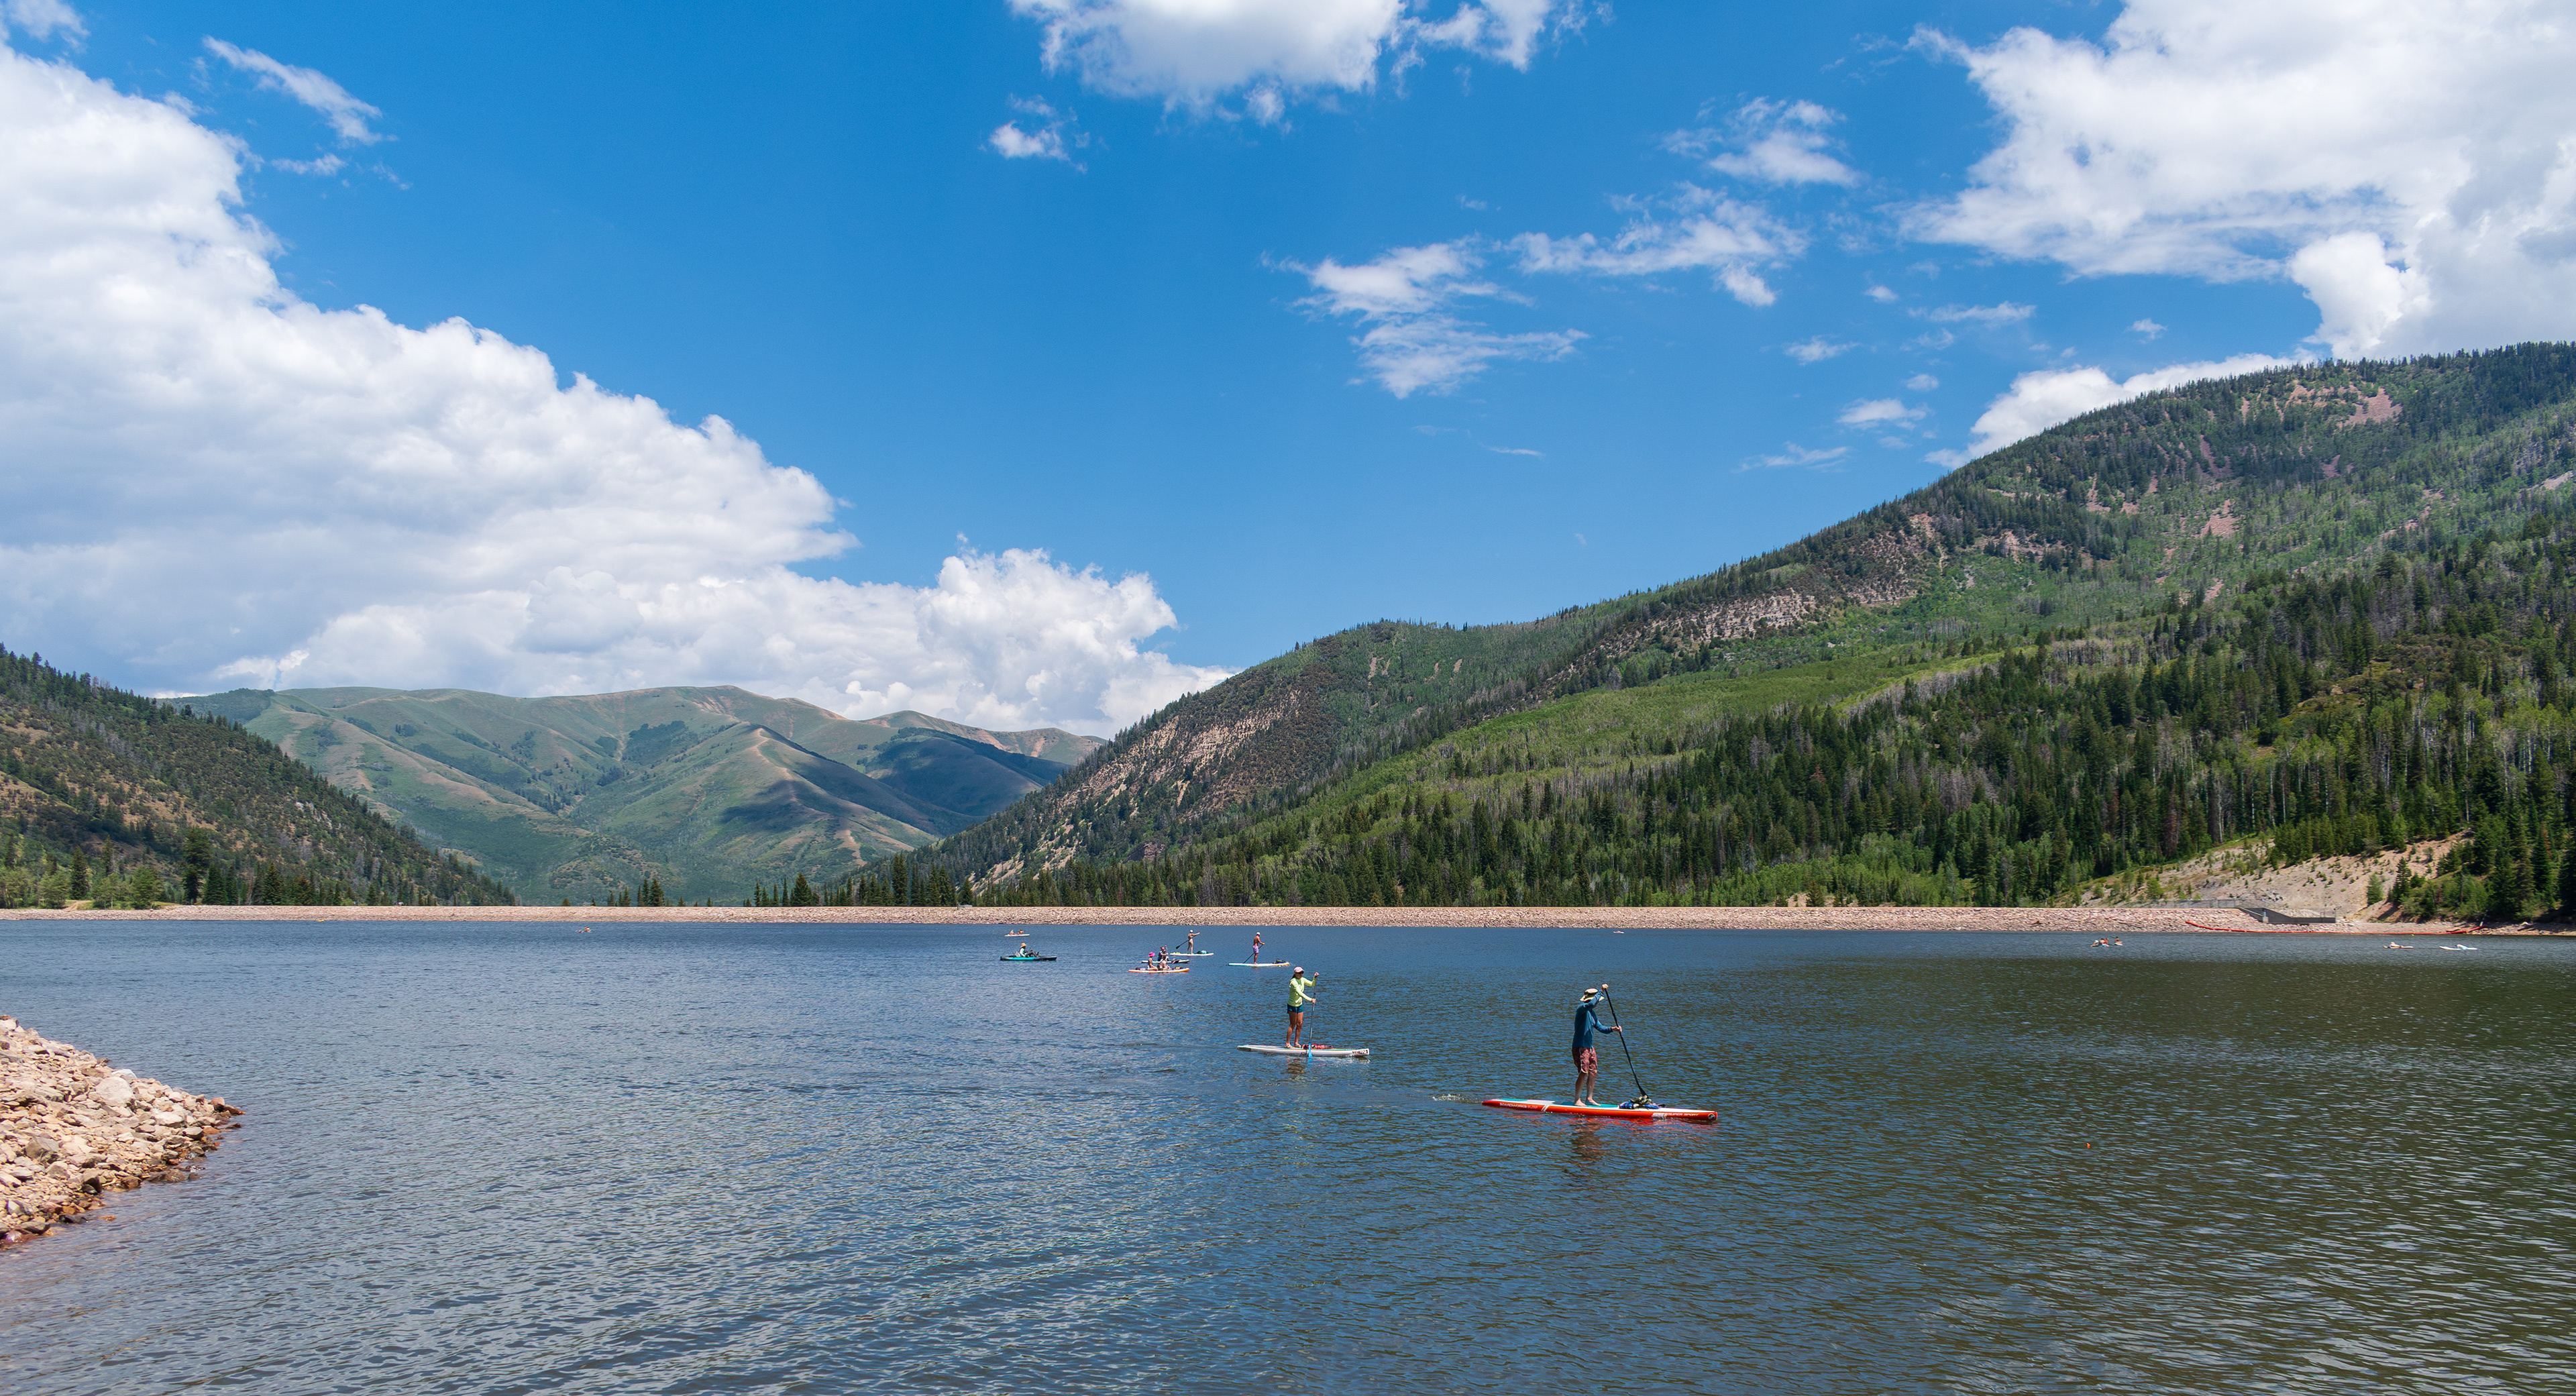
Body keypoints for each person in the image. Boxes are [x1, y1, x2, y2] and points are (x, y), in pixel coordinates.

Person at [1570, 984, 1621, 1107]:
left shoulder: (1592, 1013)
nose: (1598, 1003)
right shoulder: (1582, 1008)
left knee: (1593, 1071)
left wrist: (1613, 1029)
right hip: (1580, 1046)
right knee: (1584, 1072)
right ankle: (1577, 1100)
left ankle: (1589, 1098)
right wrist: (1601, 991)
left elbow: (1600, 1028)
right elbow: (1591, 1005)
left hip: (1590, 1047)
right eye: (1597, 1001)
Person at [1285, 966, 1320, 1047]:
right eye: (1299, 973)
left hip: (1299, 1004)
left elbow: (1312, 984)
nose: (1301, 974)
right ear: (1295, 974)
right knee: (1293, 1024)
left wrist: (1314, 978)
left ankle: (1296, 1043)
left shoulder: (1303, 979)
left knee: (1300, 1024)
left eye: (1302, 973)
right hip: (1292, 1005)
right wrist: (1310, 999)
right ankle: (1287, 1043)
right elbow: (1300, 993)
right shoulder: (1293, 982)